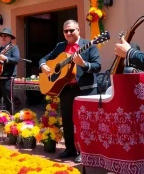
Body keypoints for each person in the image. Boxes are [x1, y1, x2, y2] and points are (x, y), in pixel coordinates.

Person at [39, 20, 101, 163]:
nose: (68, 33)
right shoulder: (60, 46)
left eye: (71, 30)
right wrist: (43, 65)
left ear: (78, 30)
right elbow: (44, 59)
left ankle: (85, 151)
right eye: (65, 31)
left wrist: (83, 64)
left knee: (84, 122)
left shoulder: (89, 45)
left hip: (84, 89)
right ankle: (70, 149)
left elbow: (97, 66)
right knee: (67, 120)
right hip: (65, 88)